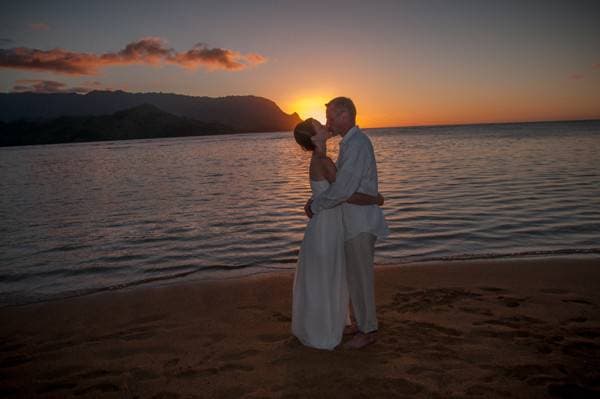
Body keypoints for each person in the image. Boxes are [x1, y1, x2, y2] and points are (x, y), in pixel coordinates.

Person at [291, 117, 383, 350]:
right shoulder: (323, 160)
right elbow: (344, 194)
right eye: (318, 126)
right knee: (328, 274)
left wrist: (314, 202)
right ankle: (328, 325)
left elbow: (330, 193)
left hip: (326, 223)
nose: (324, 125)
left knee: (327, 275)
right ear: (314, 138)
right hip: (327, 226)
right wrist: (375, 199)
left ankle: (331, 322)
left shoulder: (320, 160)